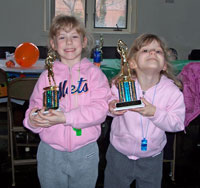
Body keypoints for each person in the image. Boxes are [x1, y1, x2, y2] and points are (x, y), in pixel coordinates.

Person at [23, 14, 111, 188]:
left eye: (74, 37)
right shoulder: (46, 76)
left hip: (85, 150)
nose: (69, 42)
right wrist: (34, 119)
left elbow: (100, 109)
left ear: (84, 42)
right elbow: (34, 107)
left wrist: (66, 118)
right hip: (50, 151)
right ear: (54, 44)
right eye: (62, 37)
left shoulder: (95, 75)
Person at [104, 34, 185, 188]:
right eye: (146, 50)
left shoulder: (172, 92)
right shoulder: (121, 85)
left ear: (164, 66)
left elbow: (178, 124)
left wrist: (155, 112)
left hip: (152, 158)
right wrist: (112, 107)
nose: (152, 53)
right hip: (119, 154)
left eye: (158, 51)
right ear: (132, 63)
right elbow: (107, 104)